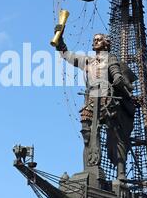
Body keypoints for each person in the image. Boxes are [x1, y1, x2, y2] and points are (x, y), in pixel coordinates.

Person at [55, 33, 136, 181]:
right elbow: (67, 55)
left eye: (99, 39)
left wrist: (121, 81)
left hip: (107, 99)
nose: (96, 41)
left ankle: (121, 172)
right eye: (94, 39)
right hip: (91, 99)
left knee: (115, 134)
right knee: (87, 132)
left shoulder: (110, 58)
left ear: (105, 43)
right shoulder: (87, 61)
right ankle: (91, 167)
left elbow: (116, 74)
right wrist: (59, 40)